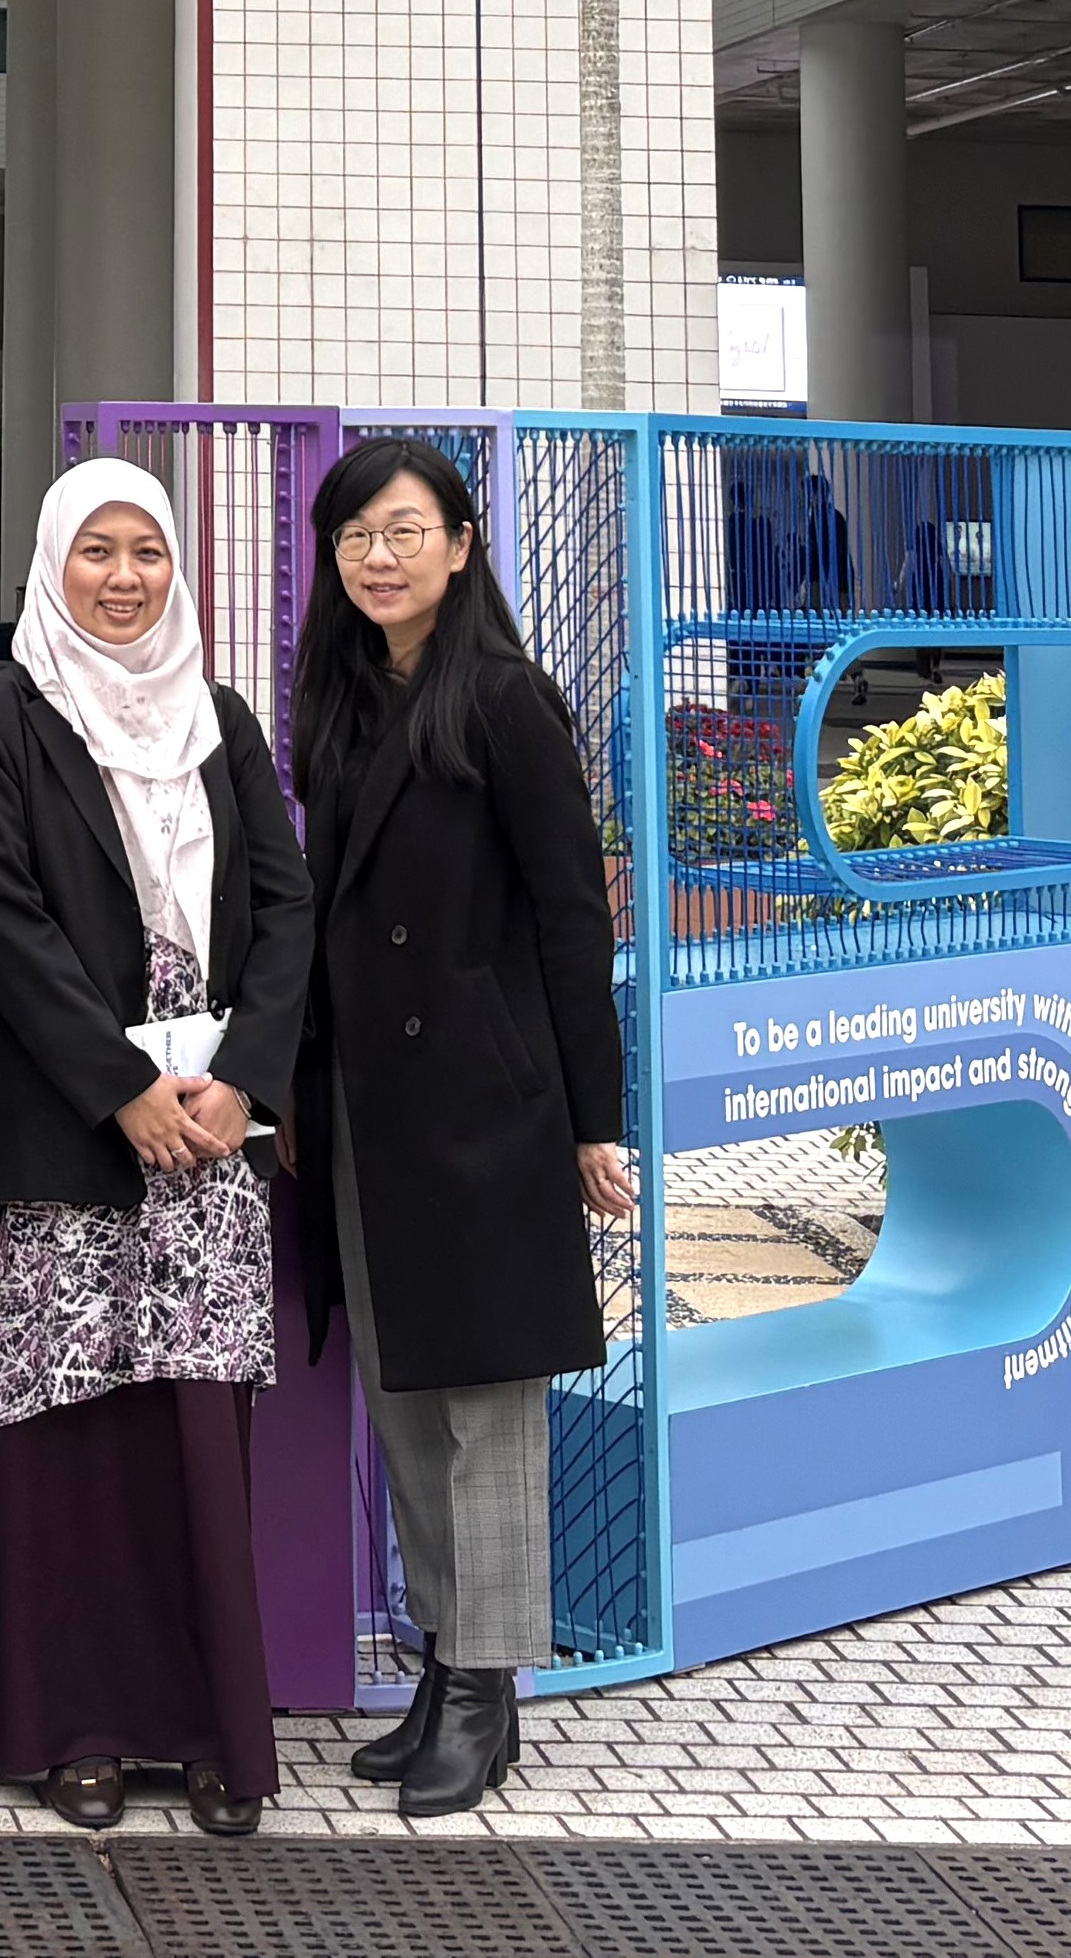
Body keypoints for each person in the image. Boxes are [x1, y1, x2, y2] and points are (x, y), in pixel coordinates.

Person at [0, 455, 314, 1835]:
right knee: (62, 1439)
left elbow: (286, 902)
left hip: (210, 1140)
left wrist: (242, 1081)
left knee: (191, 1439)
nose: (124, 577)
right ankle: (67, 1724)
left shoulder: (223, 720)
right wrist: (118, 1088)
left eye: (147, 551)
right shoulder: (5, 720)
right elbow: (4, 916)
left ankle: (208, 1732)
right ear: (50, 564)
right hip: (57, 1132)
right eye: (97, 552)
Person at [290, 431, 633, 1819]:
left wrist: (589, 1122)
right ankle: (443, 1655)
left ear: (461, 542)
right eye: (355, 534)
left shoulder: (504, 699)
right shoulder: (344, 699)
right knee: (403, 1394)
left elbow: (568, 918)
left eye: (404, 529)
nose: (378, 555)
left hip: (486, 1106)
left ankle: (488, 1686)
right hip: (365, 1105)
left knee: (488, 1404)